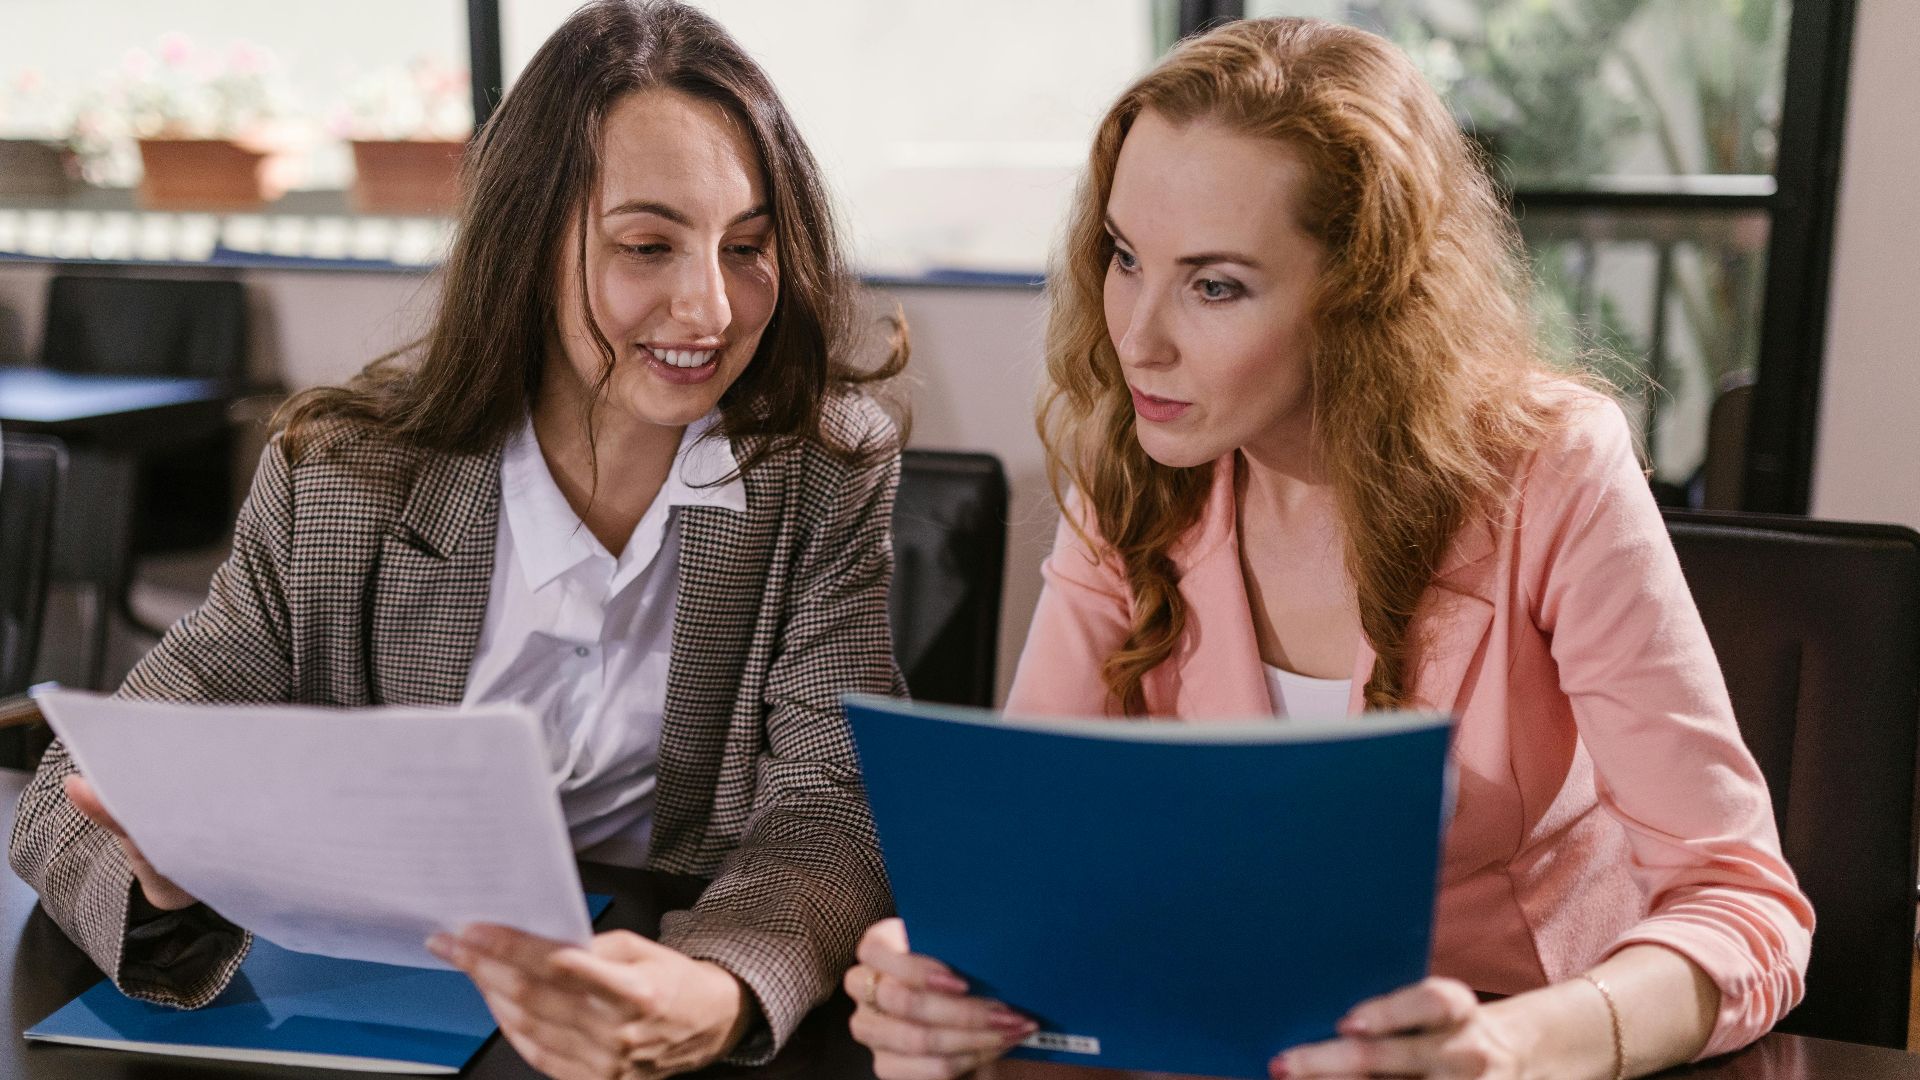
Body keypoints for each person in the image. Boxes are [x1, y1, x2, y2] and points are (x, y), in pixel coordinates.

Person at [844, 16, 1811, 1080]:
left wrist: (1503, 1047)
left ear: (1365, 299)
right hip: (1215, 1037)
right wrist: (934, 978)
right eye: (1125, 258)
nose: (1137, 337)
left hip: (1517, 1032)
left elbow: (1742, 901)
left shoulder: (1552, 473)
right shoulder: (1132, 467)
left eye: (1215, 285)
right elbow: (1027, 869)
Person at [8, 3, 906, 1077]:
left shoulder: (822, 472)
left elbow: (832, 797)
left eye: (747, 246)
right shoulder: (343, 479)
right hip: (392, 1002)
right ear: (528, 247)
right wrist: (162, 871)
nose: (710, 306)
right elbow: (74, 791)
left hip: (663, 990)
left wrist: (716, 988)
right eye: (647, 245)